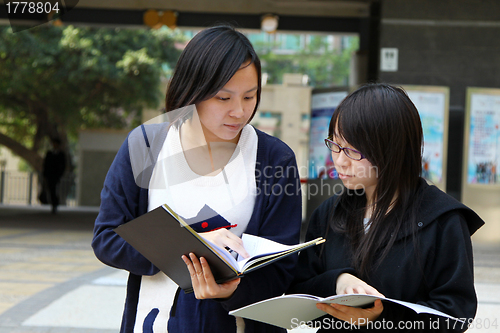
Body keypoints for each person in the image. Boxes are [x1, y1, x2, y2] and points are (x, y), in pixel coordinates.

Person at [92, 25, 302, 333]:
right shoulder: (146, 145)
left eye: (249, 96)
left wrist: (231, 289)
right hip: (155, 322)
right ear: (193, 90)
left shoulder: (274, 158)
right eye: (223, 98)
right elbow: (107, 238)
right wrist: (194, 242)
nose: (239, 111)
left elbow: (281, 271)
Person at [288, 83, 484, 332]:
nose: (339, 161)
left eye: (352, 150)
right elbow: (299, 289)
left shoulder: (443, 221)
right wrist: (338, 281)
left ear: (392, 150)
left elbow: (456, 312)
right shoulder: (329, 213)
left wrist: (381, 318)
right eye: (335, 145)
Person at [42, 138, 66, 214]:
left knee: (55, 190)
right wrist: (45, 175)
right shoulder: (49, 153)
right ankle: (53, 204)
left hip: (56, 176)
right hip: (49, 175)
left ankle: (55, 204)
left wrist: (60, 174)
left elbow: (63, 165)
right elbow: (45, 165)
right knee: (51, 190)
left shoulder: (61, 154)